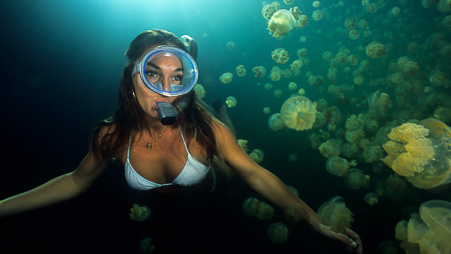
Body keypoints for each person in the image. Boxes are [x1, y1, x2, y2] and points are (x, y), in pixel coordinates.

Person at [0, 29, 362, 253]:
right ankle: (188, 52)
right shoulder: (110, 136)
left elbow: (254, 174)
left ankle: (219, 104)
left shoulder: (205, 131)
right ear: (130, 78)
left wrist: (313, 219)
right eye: (152, 73)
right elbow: (77, 180)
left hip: (218, 183)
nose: (165, 91)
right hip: (171, 202)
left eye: (178, 78)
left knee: (230, 139)